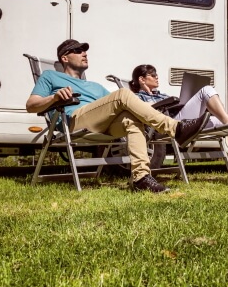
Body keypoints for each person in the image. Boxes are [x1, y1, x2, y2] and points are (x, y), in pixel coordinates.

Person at [26, 40, 210, 193]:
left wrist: (150, 107)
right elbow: (31, 105)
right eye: (78, 50)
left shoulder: (95, 86)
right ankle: (177, 129)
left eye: (85, 51)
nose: (84, 53)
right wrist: (54, 97)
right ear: (64, 58)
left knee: (132, 119)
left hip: (101, 124)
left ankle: (141, 178)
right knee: (122, 94)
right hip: (74, 120)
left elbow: (120, 104)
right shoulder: (51, 76)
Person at [129, 64, 228, 128]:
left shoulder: (161, 94)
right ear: (142, 79)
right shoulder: (138, 97)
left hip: (180, 118)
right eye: (152, 75)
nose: (157, 77)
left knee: (221, 119)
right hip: (171, 124)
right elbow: (145, 112)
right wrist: (146, 91)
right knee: (206, 90)